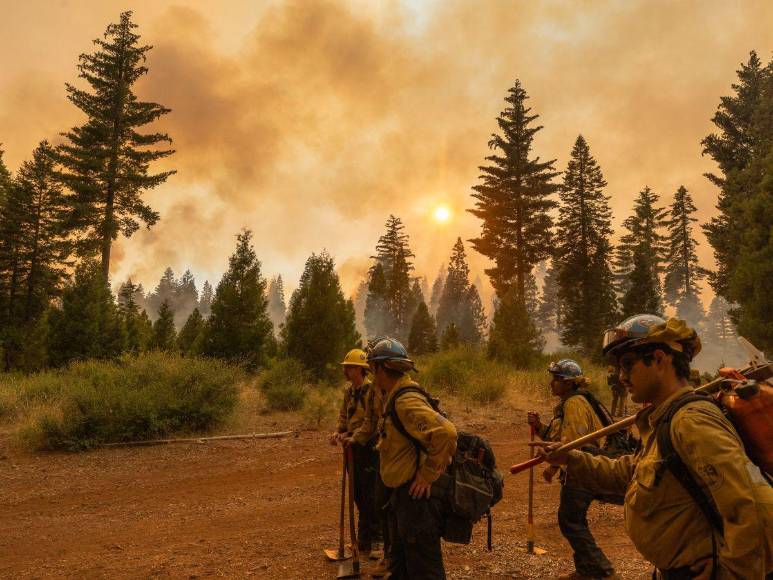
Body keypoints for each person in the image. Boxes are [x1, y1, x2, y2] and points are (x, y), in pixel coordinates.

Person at [534, 315, 773, 579]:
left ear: (659, 359)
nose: (621, 376)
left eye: (627, 364)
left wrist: (731, 573)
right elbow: (633, 473)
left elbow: (753, 507)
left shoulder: (690, 422)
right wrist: (570, 459)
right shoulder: (664, 419)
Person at [367, 337, 457, 580]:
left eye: (372, 367)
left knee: (424, 568)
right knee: (401, 565)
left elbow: (446, 433)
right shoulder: (392, 395)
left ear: (381, 368)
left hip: (417, 499)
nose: (370, 373)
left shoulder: (405, 400)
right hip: (403, 497)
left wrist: (427, 475)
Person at [528, 359, 619, 580]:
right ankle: (589, 569)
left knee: (570, 519)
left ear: (568, 383)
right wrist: (539, 426)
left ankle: (601, 571)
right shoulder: (570, 402)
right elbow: (558, 439)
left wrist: (552, 468)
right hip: (580, 465)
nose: (552, 384)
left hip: (583, 468)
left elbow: (574, 442)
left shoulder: (575, 403)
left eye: (556, 380)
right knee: (571, 518)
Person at [329, 348, 382, 556]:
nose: (347, 371)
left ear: (361, 369)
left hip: (369, 448)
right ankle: (364, 539)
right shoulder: (349, 392)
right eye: (346, 367)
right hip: (353, 449)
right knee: (358, 494)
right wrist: (338, 433)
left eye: (350, 367)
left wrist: (355, 437)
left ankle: (378, 540)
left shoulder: (372, 391)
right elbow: (344, 416)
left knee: (372, 494)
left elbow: (372, 422)